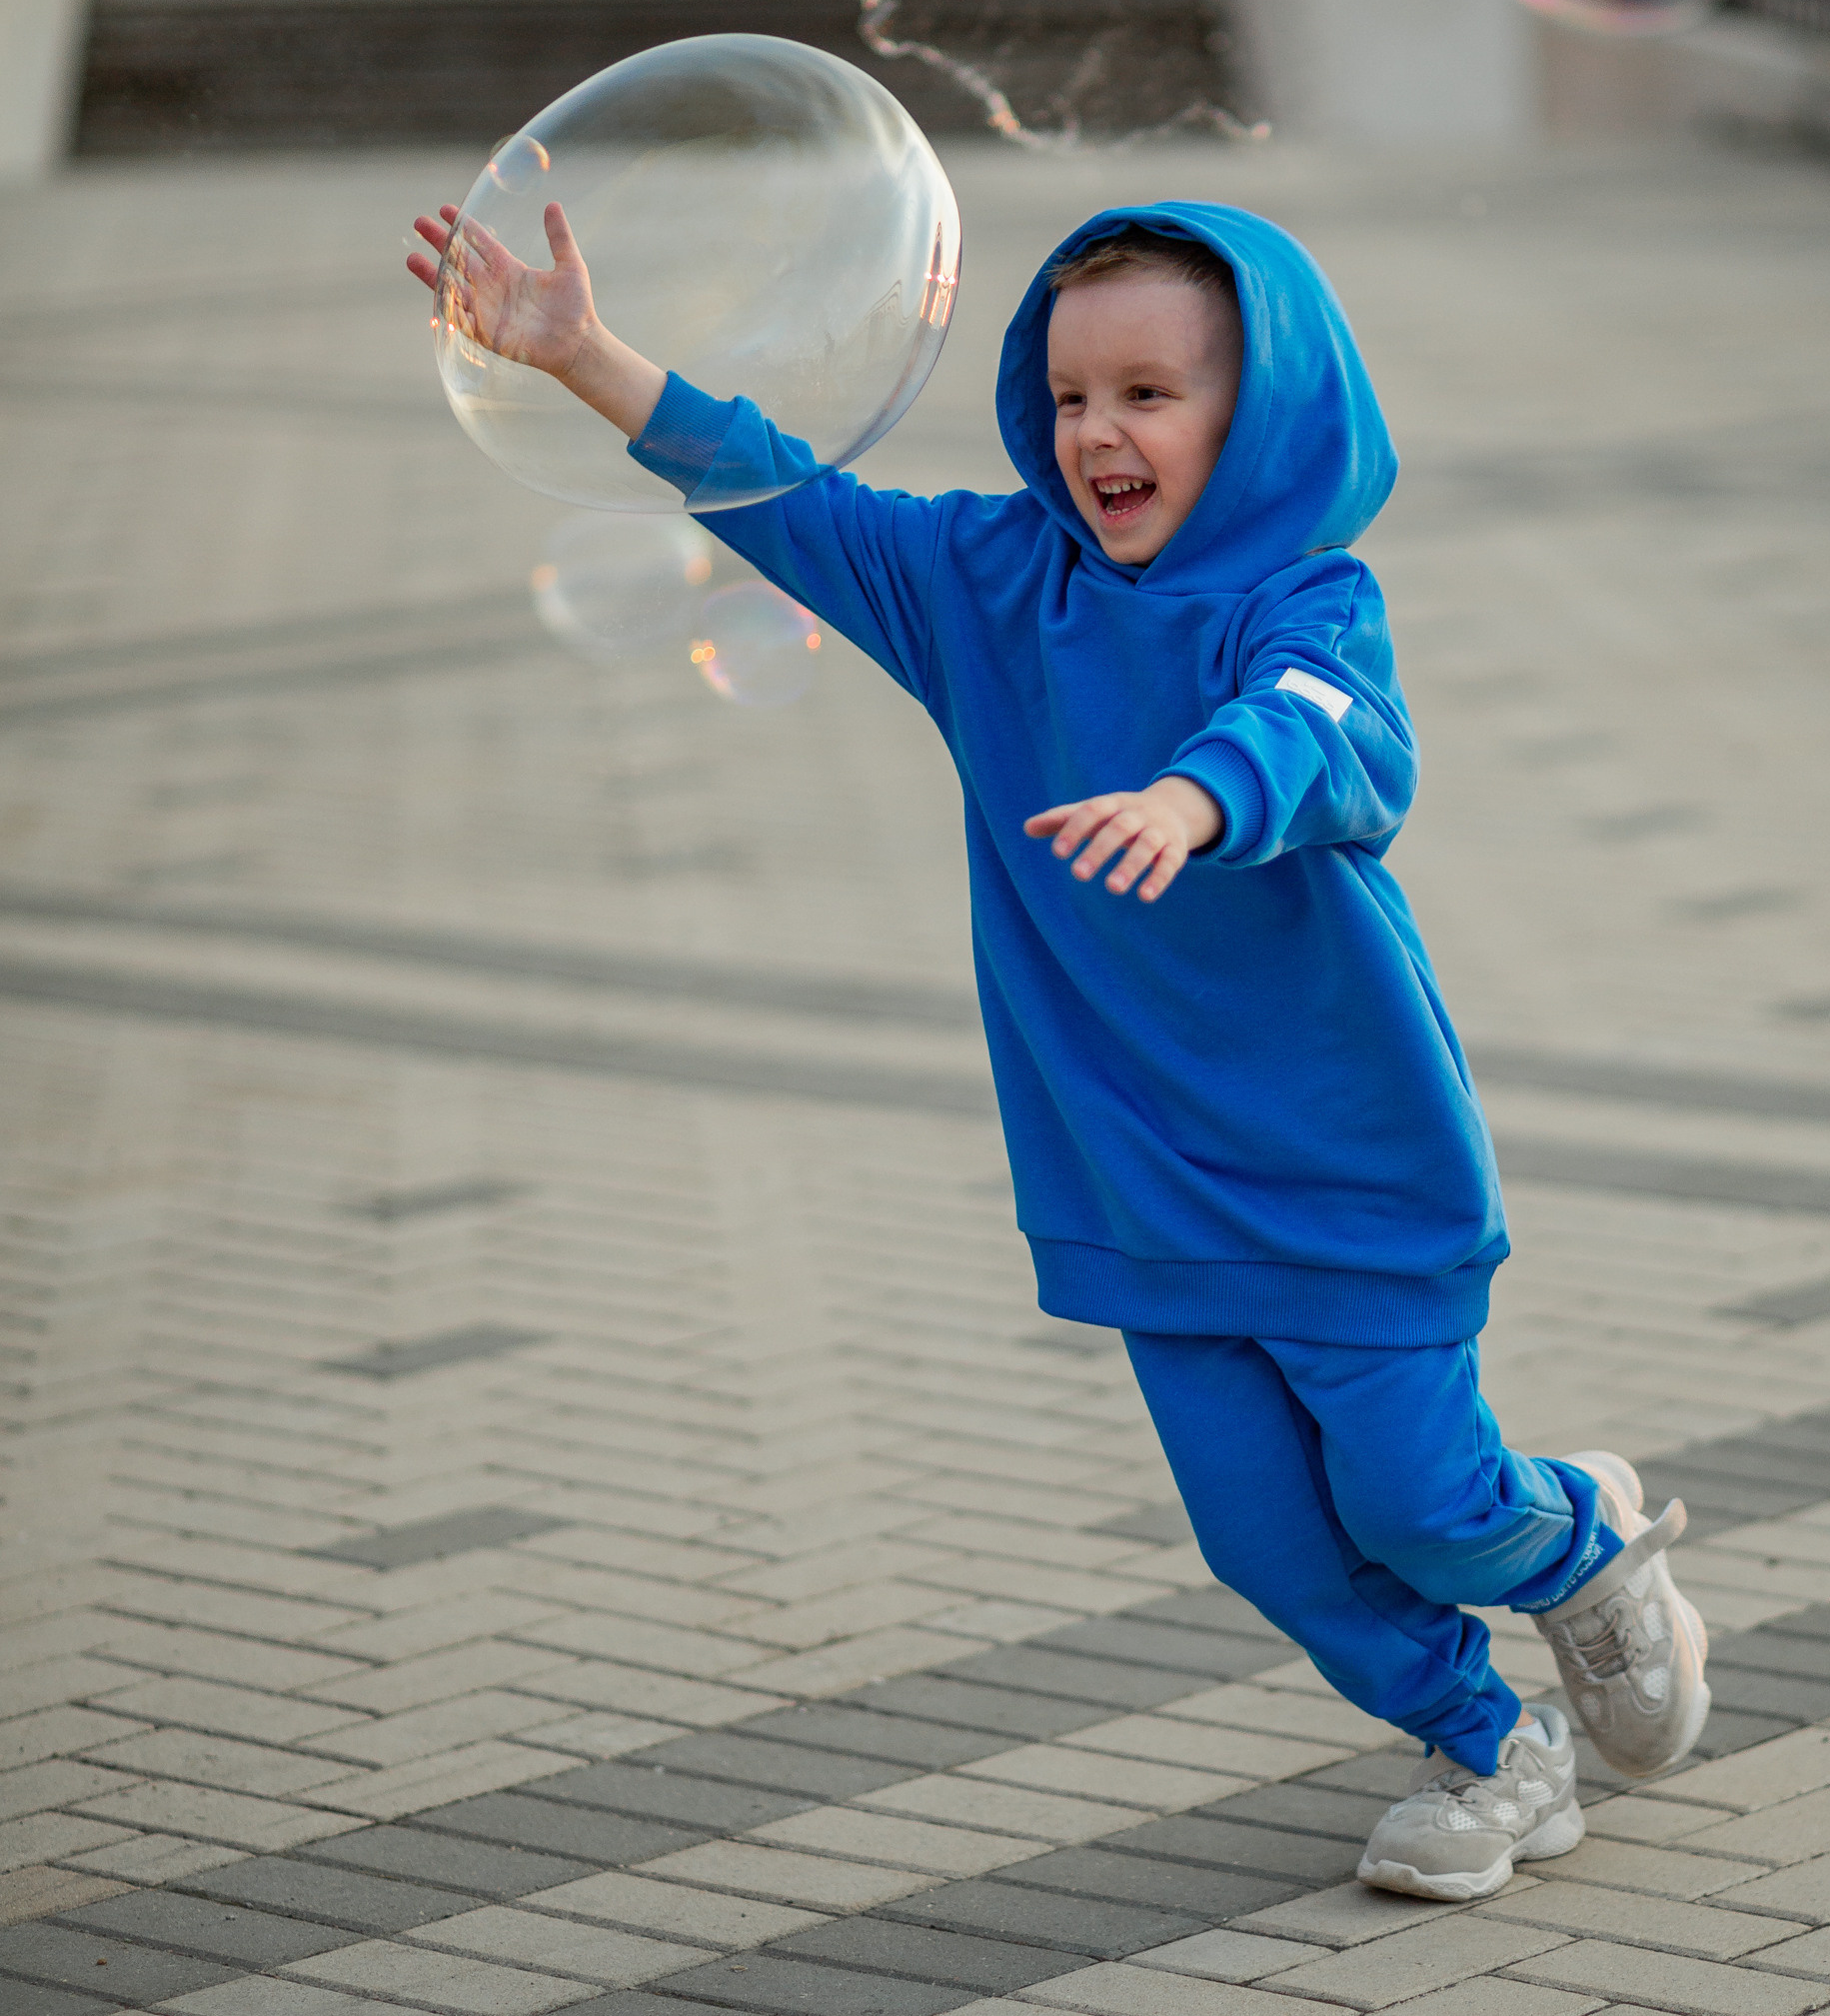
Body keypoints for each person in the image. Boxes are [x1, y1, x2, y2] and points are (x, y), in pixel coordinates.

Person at [405, 196, 1709, 1902]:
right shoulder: (987, 587)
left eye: (1150, 394)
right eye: (1072, 393)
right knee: (1261, 1538)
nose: (1099, 431)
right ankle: (1484, 1745)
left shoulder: (1306, 602)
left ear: (1259, 412)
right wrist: (583, 353)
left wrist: (1192, 794)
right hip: (1134, 1175)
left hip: (1346, 1160)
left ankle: (1577, 1543)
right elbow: (789, 497)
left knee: (1419, 1507)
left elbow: (1328, 735)